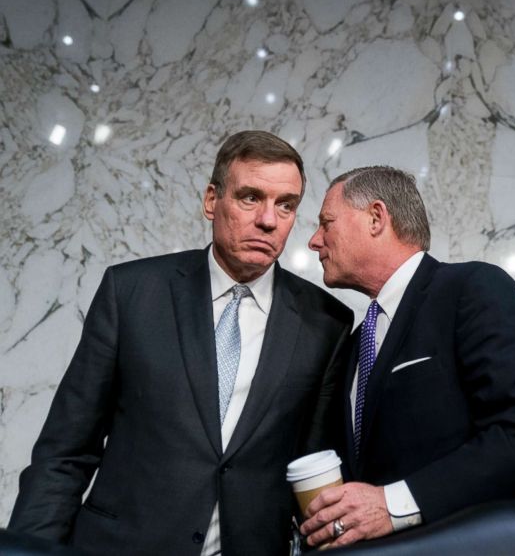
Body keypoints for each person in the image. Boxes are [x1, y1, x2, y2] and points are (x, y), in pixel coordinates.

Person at [8, 131, 354, 556]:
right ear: (212, 200)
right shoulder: (131, 292)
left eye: (286, 205)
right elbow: (65, 452)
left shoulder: (327, 323)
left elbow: (312, 468)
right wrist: (30, 551)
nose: (269, 220)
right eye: (250, 198)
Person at [300, 166, 515, 548]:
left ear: (377, 218)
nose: (314, 240)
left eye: (326, 223)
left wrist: (392, 504)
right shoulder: (358, 339)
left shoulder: (472, 289)